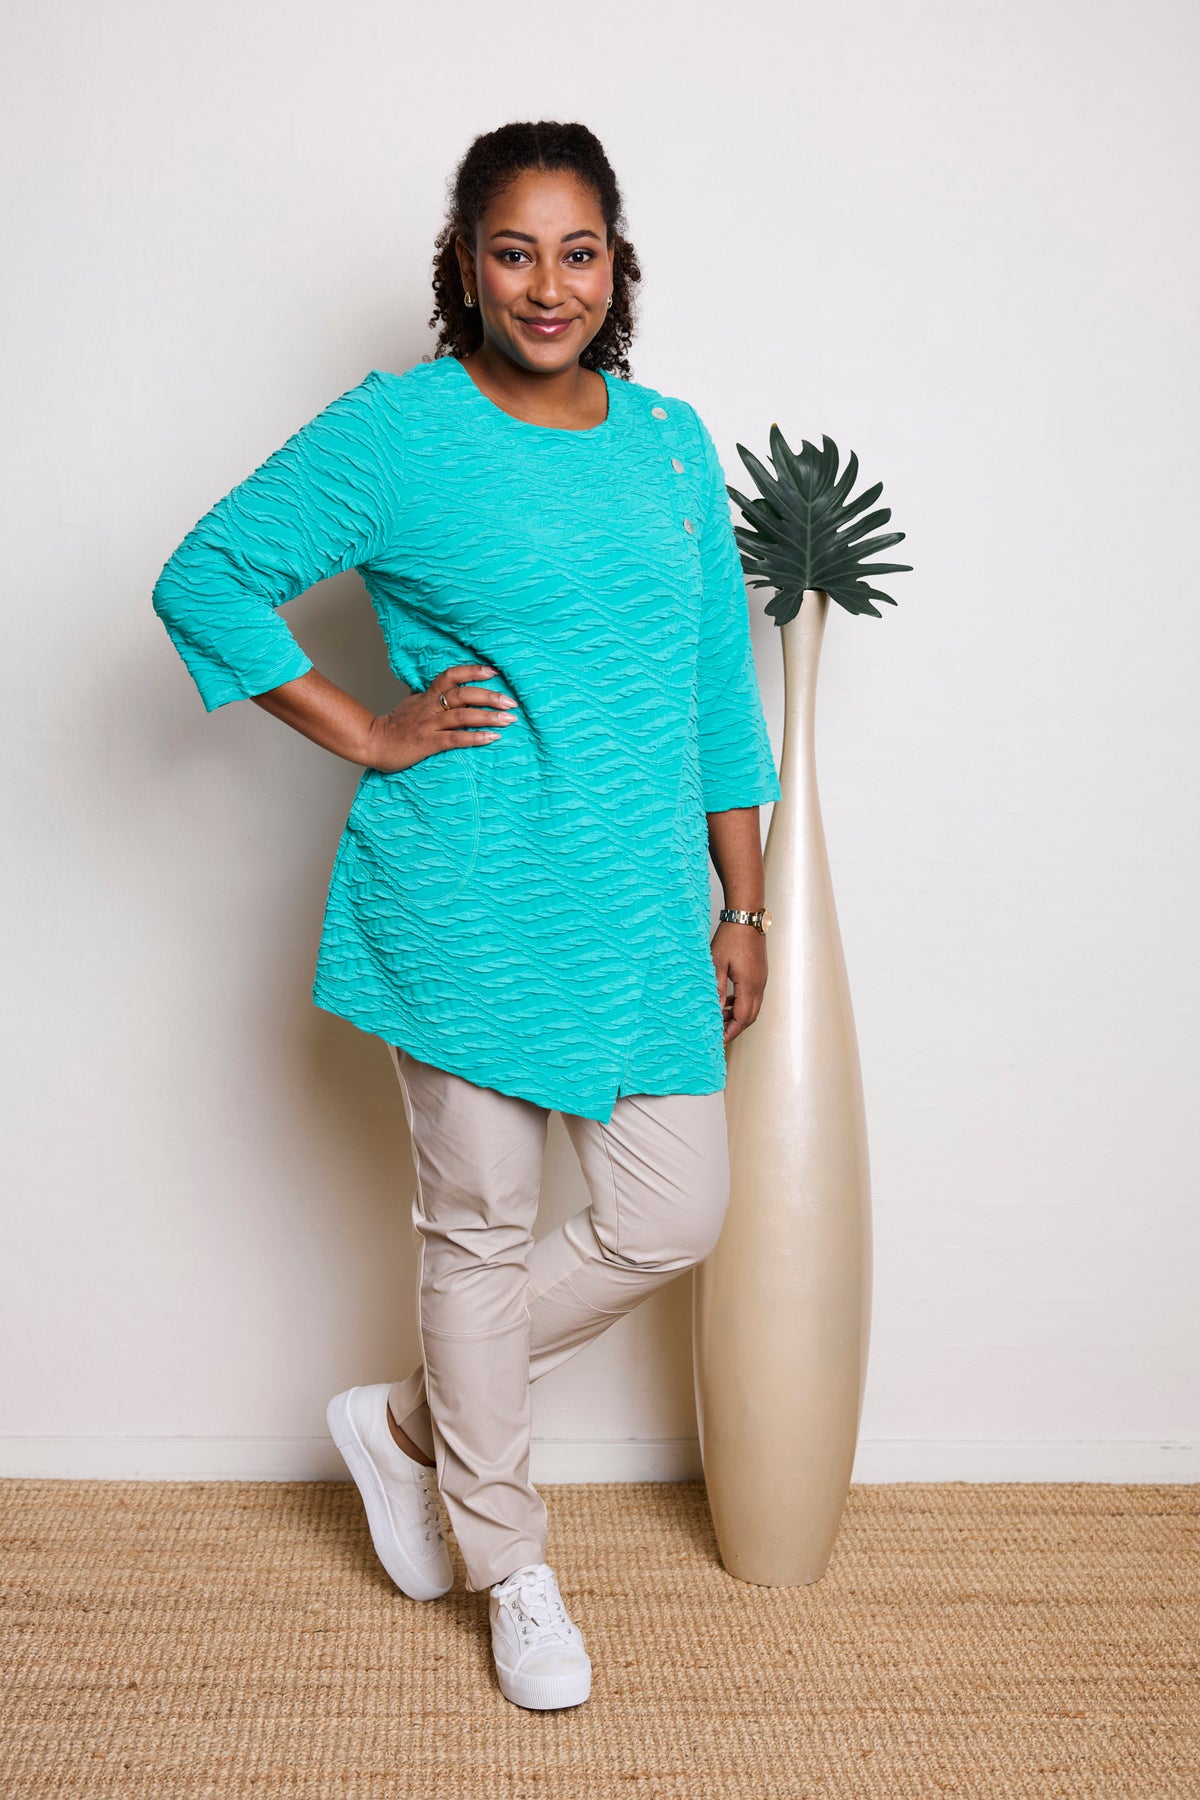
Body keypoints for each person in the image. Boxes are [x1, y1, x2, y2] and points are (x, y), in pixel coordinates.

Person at [151, 119, 780, 1712]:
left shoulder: (669, 444)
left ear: (618, 264)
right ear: (466, 266)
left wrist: (745, 899)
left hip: (640, 909)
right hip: (467, 899)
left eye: (579, 252)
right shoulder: (402, 432)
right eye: (514, 252)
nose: (548, 286)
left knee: (672, 1215)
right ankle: (512, 1568)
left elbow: (717, 684)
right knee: (478, 1233)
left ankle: (407, 1424)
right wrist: (365, 731)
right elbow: (207, 575)